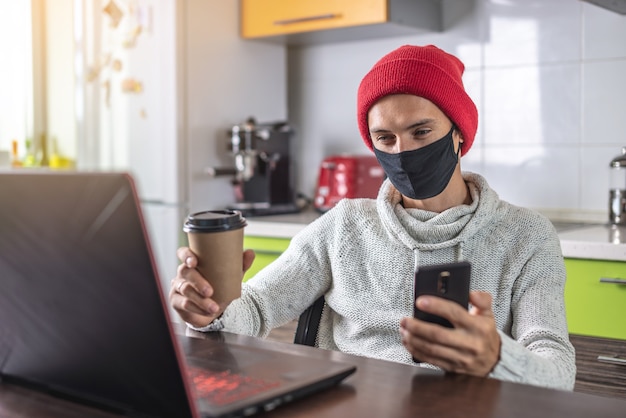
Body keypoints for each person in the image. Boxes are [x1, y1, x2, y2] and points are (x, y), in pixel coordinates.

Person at [170, 44, 576, 390]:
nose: (403, 151)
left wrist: (496, 357)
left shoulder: (527, 236)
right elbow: (255, 309)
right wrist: (214, 309)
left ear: (458, 133)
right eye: (386, 138)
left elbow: (558, 371)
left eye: (421, 132)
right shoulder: (344, 225)